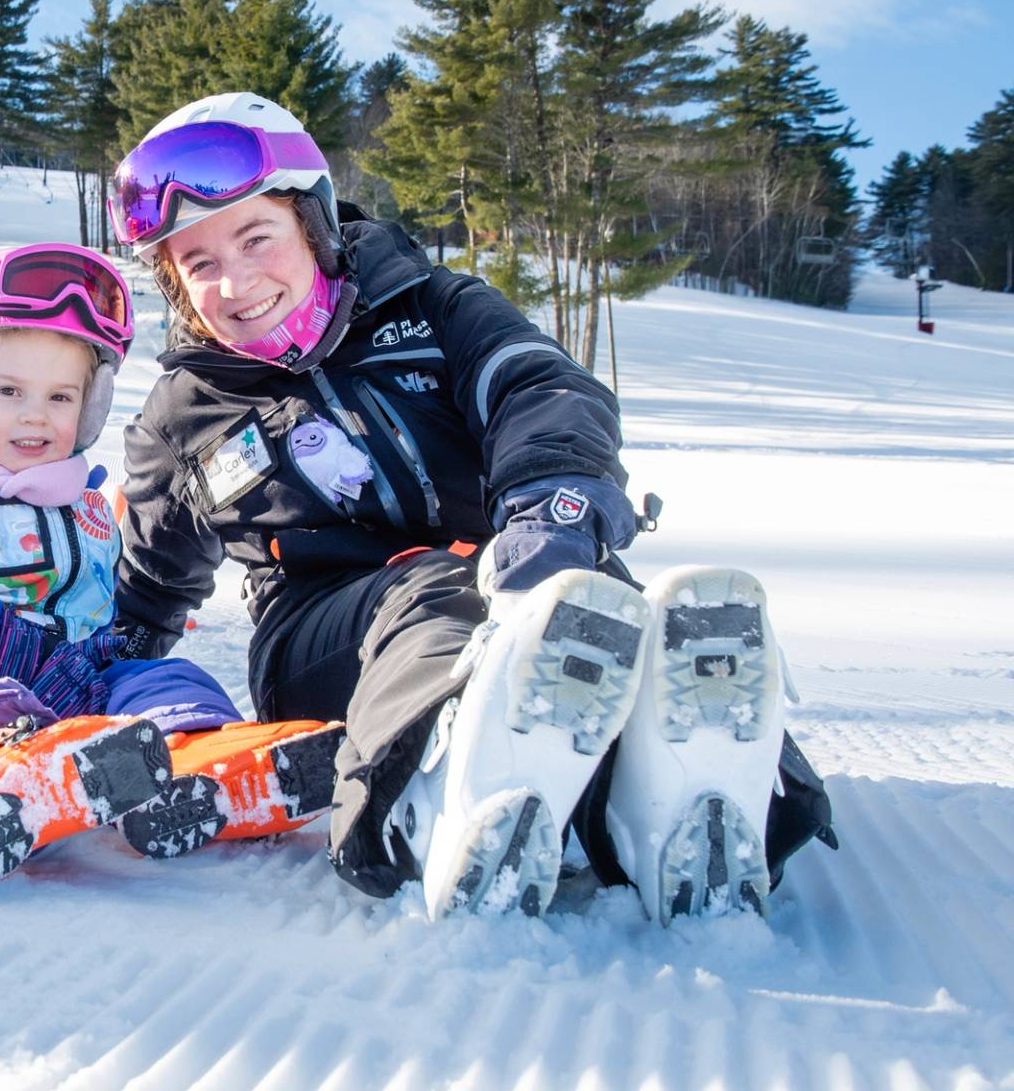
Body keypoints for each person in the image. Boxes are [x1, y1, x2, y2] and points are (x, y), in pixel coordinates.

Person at [107, 92, 837, 922]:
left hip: (519, 568)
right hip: (323, 641)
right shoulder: (183, 413)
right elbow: (148, 589)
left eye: (255, 237)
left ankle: (661, 802)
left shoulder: (436, 308)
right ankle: (433, 794)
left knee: (605, 613)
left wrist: (548, 513)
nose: (235, 282)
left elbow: (543, 392)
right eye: (199, 263)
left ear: (311, 224)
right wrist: (88, 675)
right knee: (439, 589)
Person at [0, 242, 344, 890]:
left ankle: (200, 770)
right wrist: (31, 659)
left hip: (78, 685)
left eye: (60, 397)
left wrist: (109, 657)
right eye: (9, 390)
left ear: (91, 406)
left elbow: (104, 600)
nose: (34, 414)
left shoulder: (81, 501)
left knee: (165, 681)